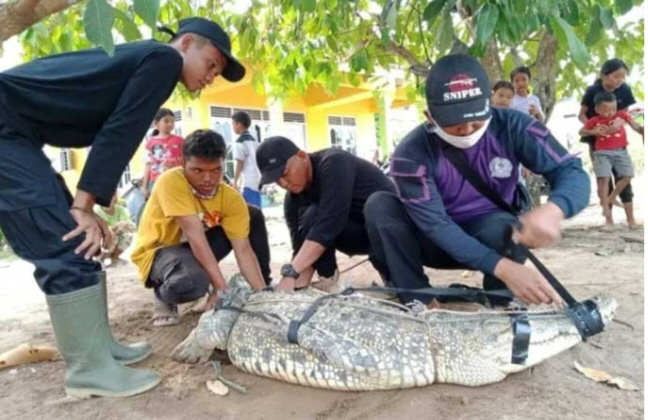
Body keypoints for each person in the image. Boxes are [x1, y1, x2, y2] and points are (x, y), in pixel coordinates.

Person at [0, 17, 245, 398]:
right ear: (187, 43)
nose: (211, 76)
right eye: (212, 64)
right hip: (6, 131)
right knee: (67, 242)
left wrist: (91, 203)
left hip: (18, 135)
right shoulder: (163, 59)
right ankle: (89, 371)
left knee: (79, 239)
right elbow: (122, 130)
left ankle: (99, 349)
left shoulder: (146, 60)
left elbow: (114, 129)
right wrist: (83, 205)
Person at [364, 54, 590, 307]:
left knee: (506, 226)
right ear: (430, 117)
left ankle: (500, 297)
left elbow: (572, 172)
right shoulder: (410, 153)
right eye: (456, 124)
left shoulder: (514, 126)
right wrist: (503, 267)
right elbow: (436, 226)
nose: (468, 129)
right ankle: (418, 297)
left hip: (491, 236)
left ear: (489, 105)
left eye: (476, 119)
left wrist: (553, 210)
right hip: (433, 243)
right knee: (380, 204)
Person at [131, 129, 271, 327]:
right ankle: (163, 294)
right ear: (183, 164)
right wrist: (221, 287)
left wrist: (264, 298)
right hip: (160, 252)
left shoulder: (230, 197)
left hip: (191, 248)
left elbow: (243, 249)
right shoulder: (171, 181)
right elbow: (194, 235)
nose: (208, 179)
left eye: (216, 170)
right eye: (198, 170)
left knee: (252, 215)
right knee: (192, 283)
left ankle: (263, 288)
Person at [256, 136, 395, 292]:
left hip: (391, 234)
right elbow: (300, 247)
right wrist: (295, 288)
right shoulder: (293, 199)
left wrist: (291, 273)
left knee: (405, 293)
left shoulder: (334, 163)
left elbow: (329, 224)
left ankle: (395, 276)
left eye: (285, 173)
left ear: (301, 156)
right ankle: (329, 282)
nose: (283, 183)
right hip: (352, 234)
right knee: (311, 220)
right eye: (276, 180)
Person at [579, 58, 638, 228]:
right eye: (616, 76)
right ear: (604, 75)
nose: (619, 80)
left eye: (622, 77)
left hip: (618, 142)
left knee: (624, 177)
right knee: (604, 179)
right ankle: (609, 220)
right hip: (597, 142)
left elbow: (625, 113)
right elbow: (582, 114)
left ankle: (630, 218)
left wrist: (620, 123)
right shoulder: (592, 91)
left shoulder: (625, 90)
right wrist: (594, 127)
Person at [141, 108, 184, 200]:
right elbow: (148, 165)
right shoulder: (150, 142)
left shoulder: (180, 141)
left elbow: (186, 161)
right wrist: (144, 187)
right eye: (166, 121)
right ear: (156, 123)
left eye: (172, 121)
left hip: (175, 179)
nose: (170, 124)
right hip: (156, 181)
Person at [231, 111, 262, 207]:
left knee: (250, 210)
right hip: (257, 179)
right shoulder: (254, 140)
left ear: (239, 124)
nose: (232, 127)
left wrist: (235, 180)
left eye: (233, 124)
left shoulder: (240, 142)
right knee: (257, 209)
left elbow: (239, 162)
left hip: (247, 181)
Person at [95, 194, 135, 265]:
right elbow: (98, 230)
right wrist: (116, 226)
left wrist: (127, 225)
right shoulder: (96, 212)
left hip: (115, 237)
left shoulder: (120, 210)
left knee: (127, 234)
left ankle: (115, 258)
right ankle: (100, 259)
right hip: (102, 240)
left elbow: (131, 225)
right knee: (111, 233)